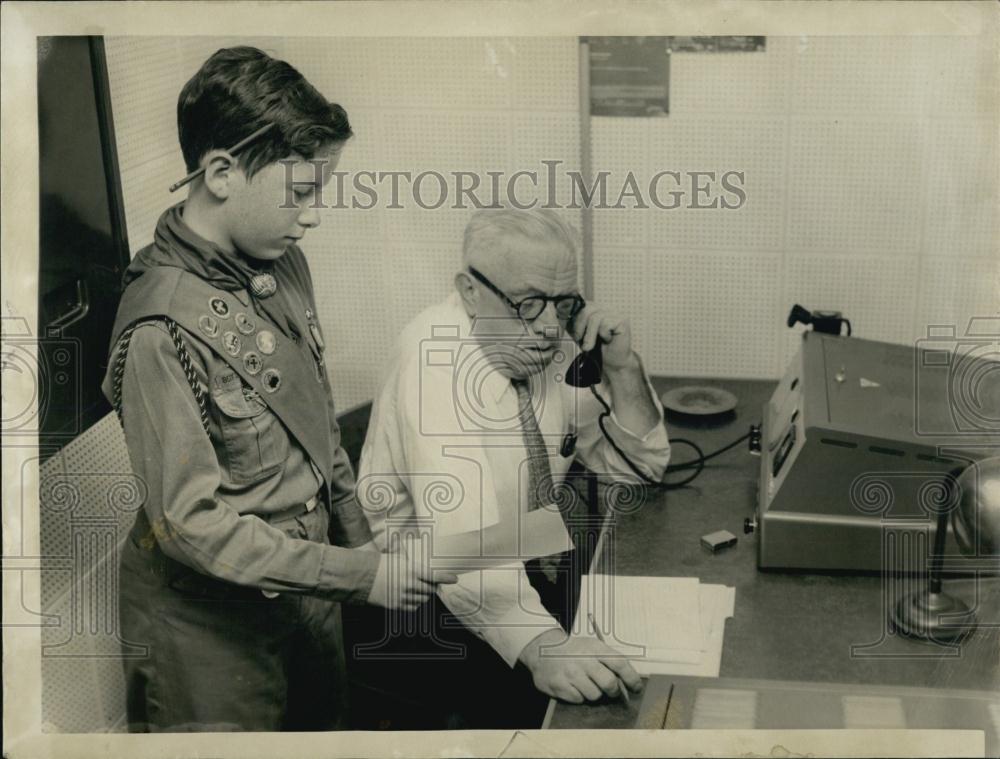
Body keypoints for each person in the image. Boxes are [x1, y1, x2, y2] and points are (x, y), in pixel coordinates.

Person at [101, 46, 455, 733]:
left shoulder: (282, 264)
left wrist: (366, 554)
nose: (314, 214)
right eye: (301, 192)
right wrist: (357, 575)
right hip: (208, 634)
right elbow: (190, 524)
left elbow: (319, 429)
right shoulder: (158, 327)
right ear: (222, 172)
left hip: (306, 594)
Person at [353, 208, 671, 728]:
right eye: (527, 304)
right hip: (421, 603)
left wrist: (621, 368)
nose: (549, 328)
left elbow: (641, 465)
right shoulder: (433, 363)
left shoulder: (545, 344)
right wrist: (542, 647)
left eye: (563, 303)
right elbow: (462, 543)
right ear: (470, 290)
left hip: (518, 569)